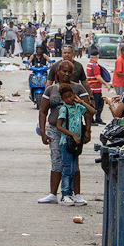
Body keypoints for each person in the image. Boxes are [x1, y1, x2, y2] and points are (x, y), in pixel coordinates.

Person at [37, 60, 89, 206]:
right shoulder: (51, 90)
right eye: (63, 71)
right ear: (58, 72)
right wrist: (43, 132)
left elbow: (87, 111)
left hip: (74, 133)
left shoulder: (78, 88)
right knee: (56, 162)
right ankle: (53, 194)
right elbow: (43, 111)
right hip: (55, 131)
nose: (66, 74)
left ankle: (76, 194)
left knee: (73, 163)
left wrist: (88, 130)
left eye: (69, 72)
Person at [55, 84, 94, 205]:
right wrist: (72, 134)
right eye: (66, 98)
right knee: (67, 168)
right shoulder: (64, 109)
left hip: (76, 144)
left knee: (74, 168)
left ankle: (71, 193)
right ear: (62, 99)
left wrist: (81, 101)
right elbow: (59, 126)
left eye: (71, 96)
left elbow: (92, 111)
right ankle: (65, 194)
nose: (69, 99)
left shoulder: (78, 107)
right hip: (67, 142)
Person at [85, 49, 106, 125]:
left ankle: (97, 118)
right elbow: (98, 77)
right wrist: (106, 84)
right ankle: (91, 120)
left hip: (92, 88)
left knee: (99, 103)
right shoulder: (95, 65)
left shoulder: (89, 64)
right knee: (96, 105)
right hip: (95, 89)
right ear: (97, 56)